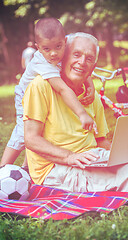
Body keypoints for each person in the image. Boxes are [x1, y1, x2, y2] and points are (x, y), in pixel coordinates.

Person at [23, 32, 128, 194]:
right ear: (64, 57)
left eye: (89, 59)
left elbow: (100, 140)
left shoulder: (92, 96)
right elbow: (31, 139)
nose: (82, 62)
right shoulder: (41, 86)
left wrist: (121, 155)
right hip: (55, 169)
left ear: (93, 67)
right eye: (76, 54)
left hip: (91, 157)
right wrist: (69, 157)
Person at [0, 18, 97, 168]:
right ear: (38, 48)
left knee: (43, 129)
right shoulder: (42, 63)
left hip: (44, 95)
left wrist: (89, 84)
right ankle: (3, 169)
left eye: (58, 46)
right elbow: (63, 89)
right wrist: (82, 113)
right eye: (47, 49)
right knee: (23, 132)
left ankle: (27, 166)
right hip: (25, 95)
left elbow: (82, 68)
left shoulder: (63, 49)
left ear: (65, 41)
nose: (53, 53)